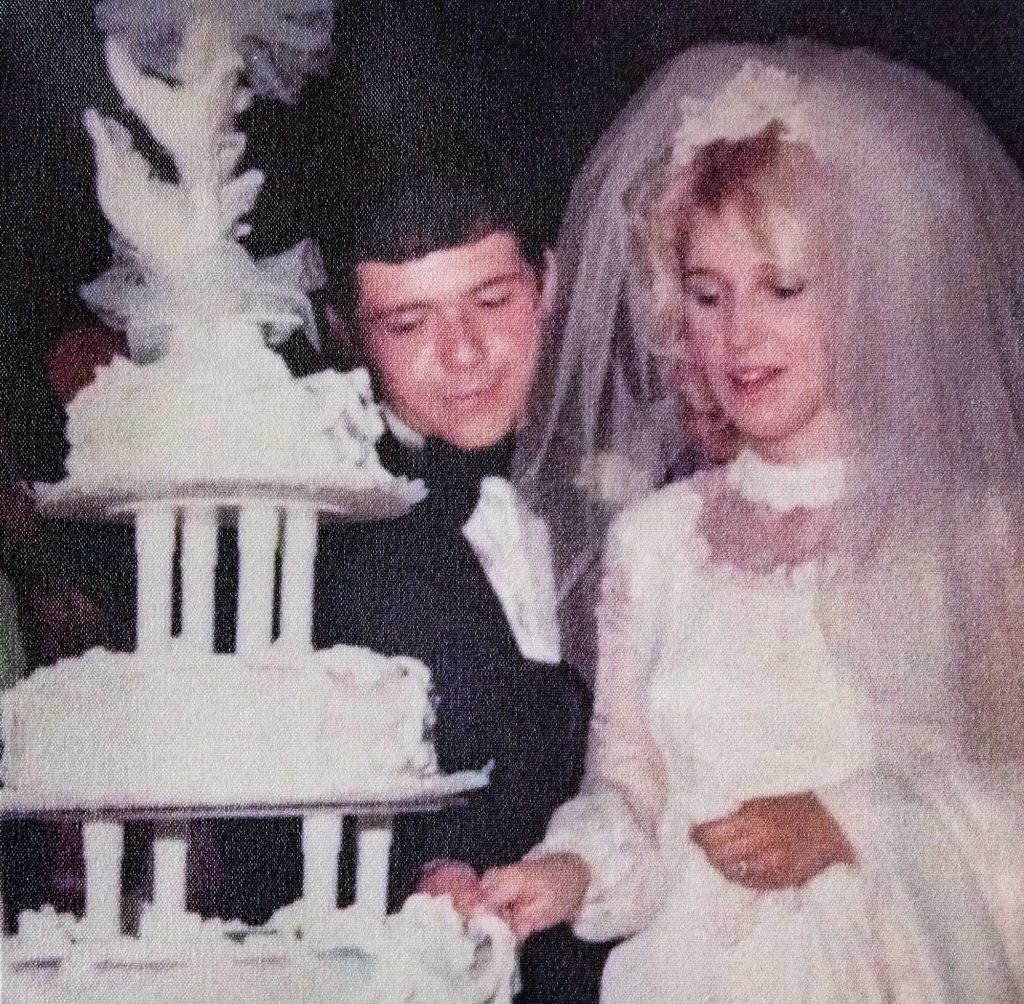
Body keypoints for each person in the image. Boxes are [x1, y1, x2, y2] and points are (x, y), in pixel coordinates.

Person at [479, 44, 1024, 1001]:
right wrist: (570, 871)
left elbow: (1009, 782)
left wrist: (846, 820)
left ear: (870, 294)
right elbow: (630, 787)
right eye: (708, 293)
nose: (740, 334)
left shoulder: (968, 532)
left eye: (784, 288)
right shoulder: (655, 542)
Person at [216, 134, 609, 1002]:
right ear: (347, 335)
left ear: (549, 283)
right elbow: (266, 843)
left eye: (491, 301)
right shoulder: (311, 552)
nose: (462, 353)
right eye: (409, 323)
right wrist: (423, 876)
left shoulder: (655, 489)